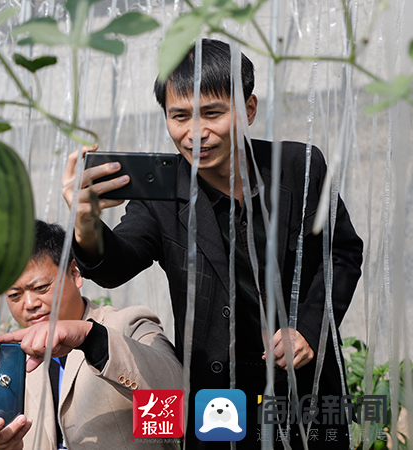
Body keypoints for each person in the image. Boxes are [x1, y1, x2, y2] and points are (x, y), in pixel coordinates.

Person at [62, 39, 363, 448]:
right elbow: (116, 266)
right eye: (180, 116)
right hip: (217, 397)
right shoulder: (161, 199)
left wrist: (309, 330)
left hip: (304, 388)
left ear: (249, 109)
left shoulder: (299, 168)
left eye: (213, 113)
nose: (195, 133)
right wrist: (85, 222)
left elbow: (341, 254)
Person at [0, 220, 183, 450]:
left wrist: (91, 339)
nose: (30, 304)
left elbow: (179, 409)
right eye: (14, 295)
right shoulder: (10, 361)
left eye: (41, 288)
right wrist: (2, 447)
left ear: (75, 274)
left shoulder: (129, 327)